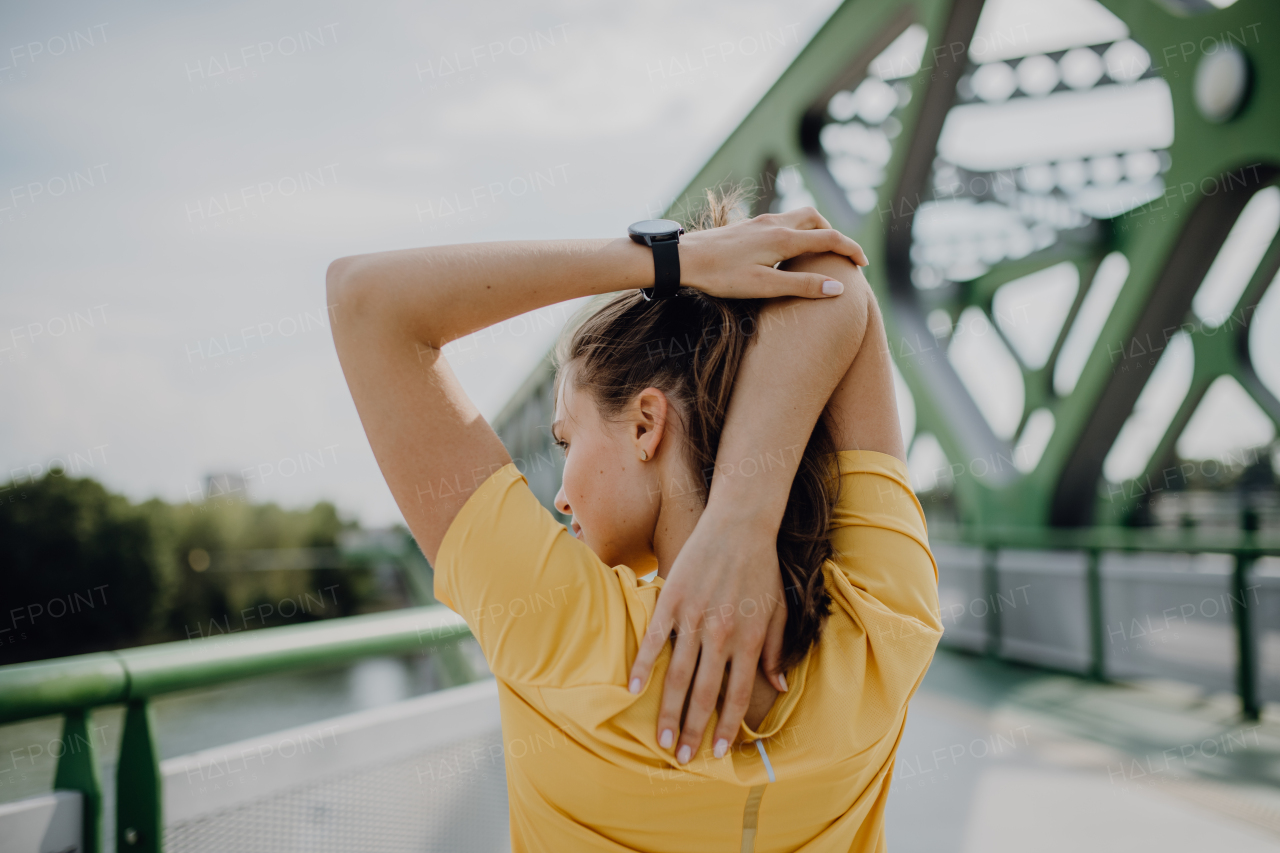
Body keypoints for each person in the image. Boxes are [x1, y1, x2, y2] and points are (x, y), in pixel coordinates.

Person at [327, 191, 943, 852]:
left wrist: (674, 259)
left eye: (567, 441)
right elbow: (833, 272)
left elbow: (364, 297)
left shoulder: (554, 626)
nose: (560, 496)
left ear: (646, 424)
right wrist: (744, 515)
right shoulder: (885, 619)